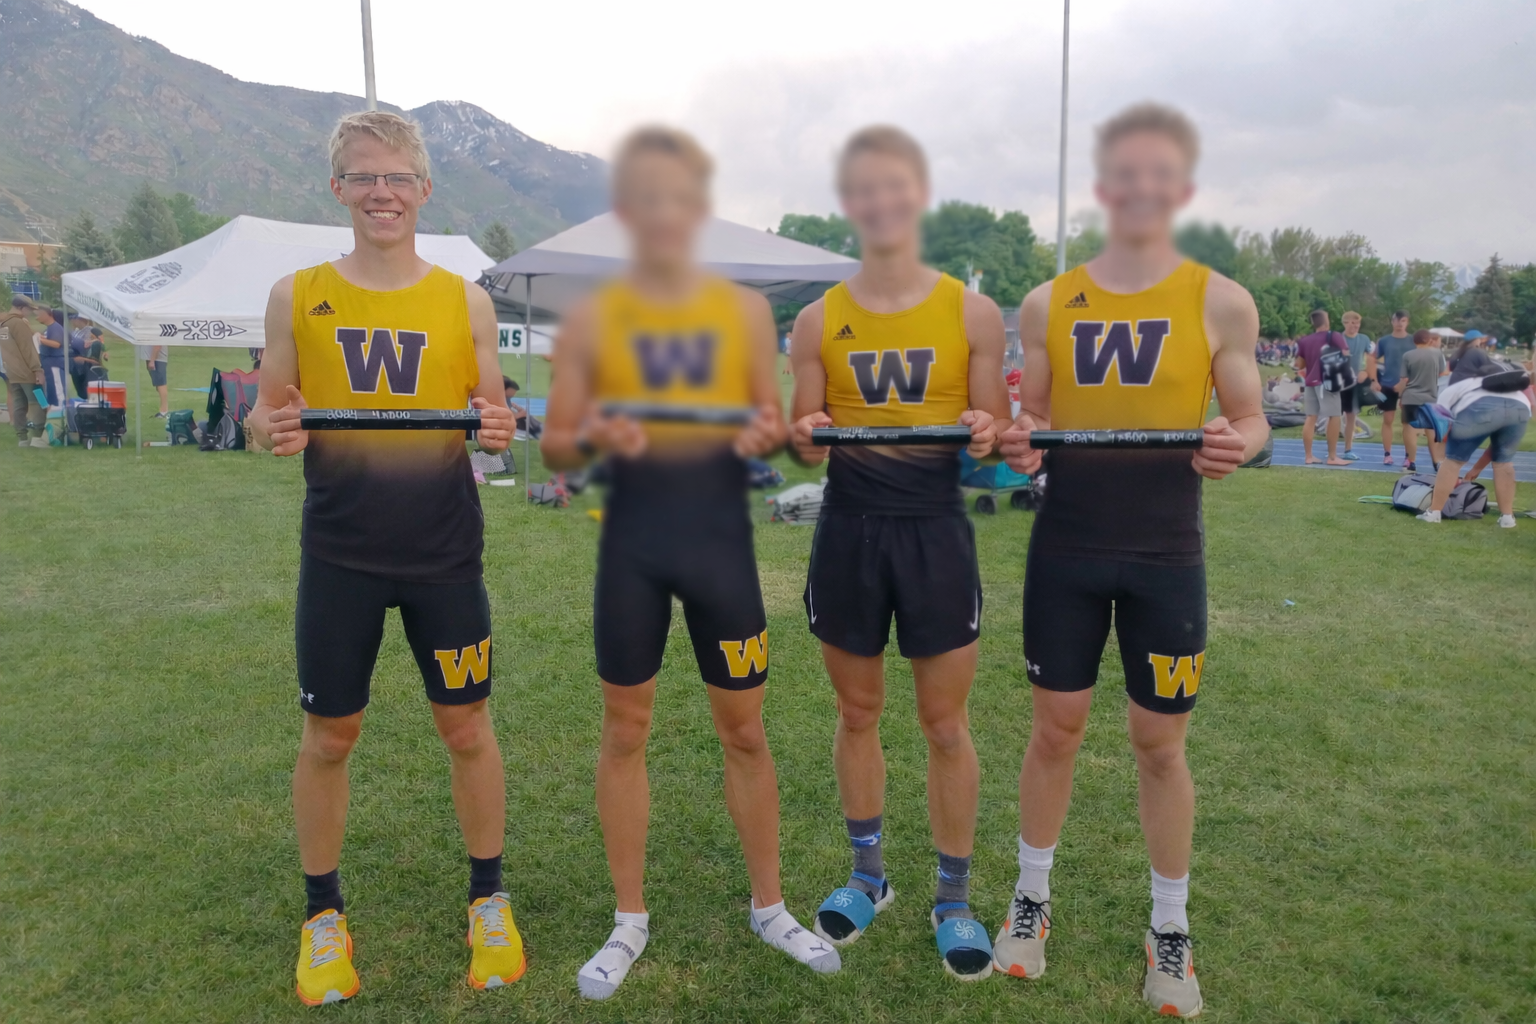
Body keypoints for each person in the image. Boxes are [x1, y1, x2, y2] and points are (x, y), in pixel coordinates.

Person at [540, 126, 830, 1002]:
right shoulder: (592, 314)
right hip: (631, 547)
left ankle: (769, 904)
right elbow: (556, 443)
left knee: (745, 729)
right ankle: (629, 917)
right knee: (626, 730)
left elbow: (768, 427)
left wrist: (763, 431)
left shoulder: (743, 310)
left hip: (718, 548)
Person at [996, 103, 1268, 1018]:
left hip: (1166, 554)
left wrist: (1244, 441)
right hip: (1066, 547)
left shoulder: (1219, 299)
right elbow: (1027, 423)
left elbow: (1255, 418)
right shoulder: (1047, 302)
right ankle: (1031, 901)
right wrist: (1018, 441)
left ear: (1181, 187)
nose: (1142, 189)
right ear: (1105, 187)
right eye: (1126, 173)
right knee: (1056, 731)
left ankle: (1170, 926)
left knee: (1160, 744)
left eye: (1162, 174)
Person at [247, 110, 519, 1006]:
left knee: (467, 727)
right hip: (341, 554)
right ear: (339, 189)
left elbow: (492, 422)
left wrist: (497, 428)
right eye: (364, 177)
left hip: (444, 554)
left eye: (397, 177)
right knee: (331, 735)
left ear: (424, 188)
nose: (382, 193)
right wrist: (267, 430)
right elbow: (267, 415)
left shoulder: (463, 298)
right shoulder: (298, 293)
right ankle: (322, 916)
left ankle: (489, 898)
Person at [788, 126, 1009, 981]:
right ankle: (868, 877)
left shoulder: (970, 312)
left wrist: (991, 430)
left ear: (916, 195)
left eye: (895, 187)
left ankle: (953, 897)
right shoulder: (817, 319)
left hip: (934, 533)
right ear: (852, 204)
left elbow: (990, 439)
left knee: (946, 724)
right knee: (857, 714)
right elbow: (807, 446)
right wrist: (804, 432)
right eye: (864, 189)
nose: (881, 203)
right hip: (850, 530)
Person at [1418, 358, 1530, 527]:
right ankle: (1507, 518)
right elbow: (1497, 449)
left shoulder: (1458, 385)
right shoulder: (1509, 386)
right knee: (1504, 464)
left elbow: (1441, 428)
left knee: (1453, 461)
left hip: (1478, 407)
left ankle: (1434, 513)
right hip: (1521, 407)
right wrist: (1476, 468)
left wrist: (1443, 461)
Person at [1294, 309, 1349, 466]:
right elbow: (1345, 354)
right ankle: (1332, 457)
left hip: (1311, 381)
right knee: (1334, 416)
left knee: (1311, 417)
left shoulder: (1305, 341)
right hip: (1328, 381)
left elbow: (1300, 364)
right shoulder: (1334, 336)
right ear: (1326, 321)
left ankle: (1309, 456)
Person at [1367, 310, 1413, 465]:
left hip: (1409, 385)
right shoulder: (1384, 341)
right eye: (1397, 320)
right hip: (1388, 384)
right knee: (1388, 419)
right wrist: (1374, 380)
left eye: (1403, 320)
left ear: (1407, 322)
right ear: (1392, 322)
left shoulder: (1413, 341)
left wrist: (1408, 381)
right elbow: (1371, 359)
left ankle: (1409, 457)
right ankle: (1387, 454)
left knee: (1407, 422)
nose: (1399, 323)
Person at [1, 295, 47, 447]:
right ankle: (38, 437)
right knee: (40, 402)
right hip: (28, 373)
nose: (30, 313)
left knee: (19, 405)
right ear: (22, 308)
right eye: (29, 309)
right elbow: (28, 350)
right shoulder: (18, 323)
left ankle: (22, 438)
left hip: (12, 373)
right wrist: (38, 370)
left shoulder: (3, 324)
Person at [1399, 328, 1446, 471]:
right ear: (1429, 340)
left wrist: (1400, 396)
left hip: (1411, 396)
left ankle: (1410, 461)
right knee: (1430, 429)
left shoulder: (1408, 355)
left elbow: (1404, 379)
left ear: (1415, 341)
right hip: (1430, 396)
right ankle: (1436, 461)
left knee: (1409, 428)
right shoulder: (1437, 353)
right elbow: (1441, 372)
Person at [1338, 310, 1371, 459]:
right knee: (1333, 416)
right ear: (1345, 323)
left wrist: (1366, 371)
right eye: (1352, 322)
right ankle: (1331, 448)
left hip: (1355, 383)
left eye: (1357, 323)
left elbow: (1371, 359)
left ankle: (1348, 449)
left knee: (1351, 415)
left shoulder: (1364, 339)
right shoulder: (1337, 339)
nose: (1355, 326)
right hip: (1338, 382)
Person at [36, 306, 67, 409]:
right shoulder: (48, 328)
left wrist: (40, 340)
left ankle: (61, 415)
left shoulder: (55, 327)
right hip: (48, 364)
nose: (36, 318)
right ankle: (52, 415)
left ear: (46, 314)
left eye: (39, 315)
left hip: (55, 364)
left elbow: (56, 344)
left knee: (58, 393)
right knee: (51, 392)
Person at [144, 343, 170, 417]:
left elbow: (158, 344)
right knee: (158, 384)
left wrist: (152, 360)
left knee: (161, 384)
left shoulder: (157, 331)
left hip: (158, 359)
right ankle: (163, 410)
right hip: (153, 358)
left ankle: (164, 411)